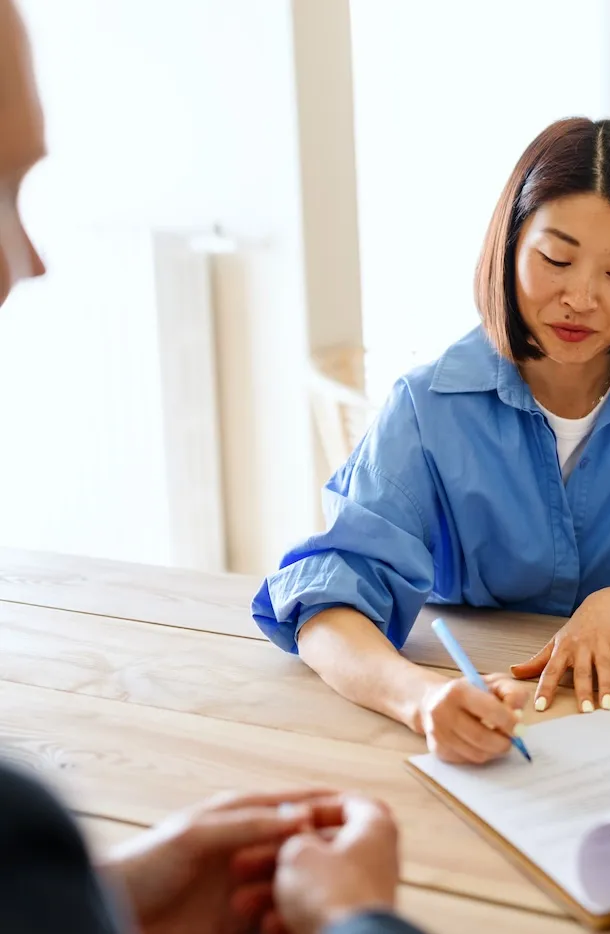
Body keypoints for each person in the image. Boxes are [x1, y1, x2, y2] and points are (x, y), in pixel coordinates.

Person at [0, 2, 421, 931]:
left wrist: (100, 905)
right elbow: (323, 577)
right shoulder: (430, 401)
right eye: (0, 188)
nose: (28, 263)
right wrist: (357, 920)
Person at [253, 117, 610, 766]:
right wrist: (419, 698)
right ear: (509, 245)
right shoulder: (430, 406)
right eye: (556, 260)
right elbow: (325, 607)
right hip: (481, 724)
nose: (581, 299)